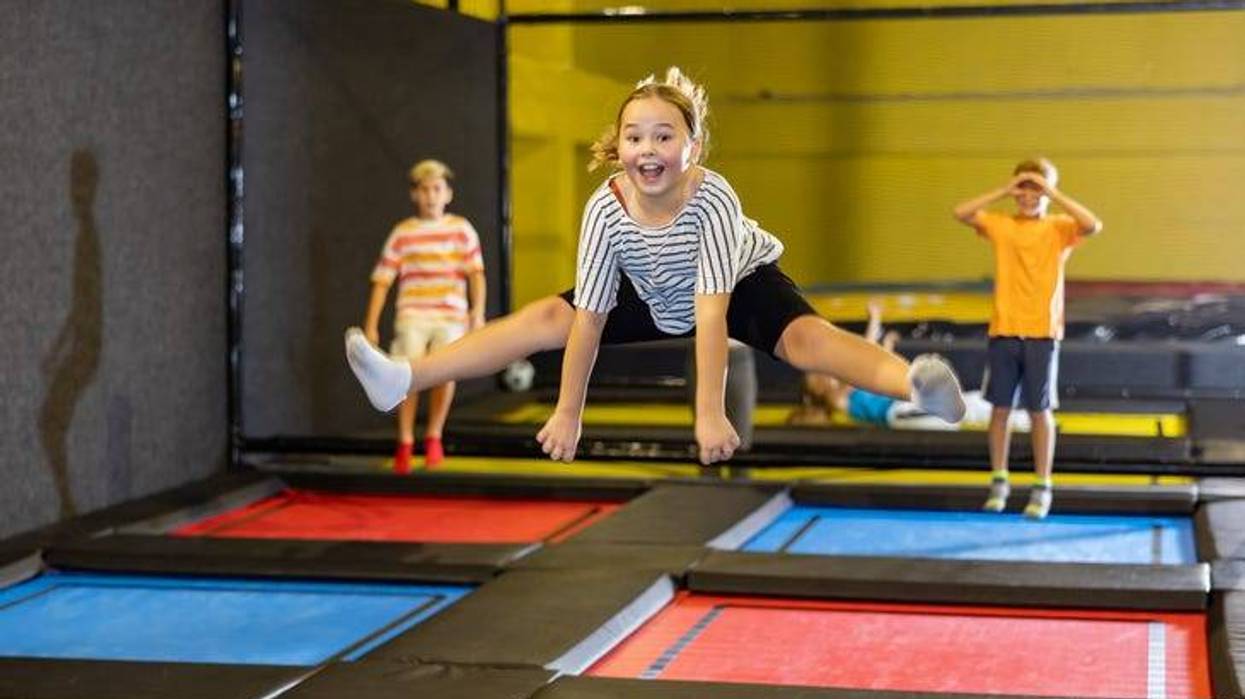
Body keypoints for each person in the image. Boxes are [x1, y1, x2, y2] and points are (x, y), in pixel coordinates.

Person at [347, 67, 966, 466]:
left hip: (736, 284)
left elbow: (713, 315)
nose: (649, 148)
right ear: (618, 147)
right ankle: (403, 379)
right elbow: (588, 320)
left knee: (805, 340)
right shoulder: (606, 207)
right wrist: (569, 410)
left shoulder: (714, 199)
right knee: (545, 317)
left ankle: (915, 388)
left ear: (692, 147)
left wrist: (708, 412)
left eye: (665, 136)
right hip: (646, 287)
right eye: (636, 136)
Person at [953, 157, 1102, 518]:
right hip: (1005, 330)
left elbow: (1093, 225)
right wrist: (1007, 189)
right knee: (1000, 409)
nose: (1029, 195)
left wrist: (1050, 190)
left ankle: (1042, 486)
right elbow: (961, 212)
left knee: (1040, 411)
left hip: (1042, 332)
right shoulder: (1002, 225)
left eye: (1037, 189)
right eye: (1025, 188)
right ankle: (999, 481)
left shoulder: (1059, 228)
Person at [363, 159, 486, 473]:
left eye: (437, 189)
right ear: (414, 194)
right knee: (407, 375)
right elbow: (383, 279)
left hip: (450, 315)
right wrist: (371, 324)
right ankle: (405, 439)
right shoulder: (403, 233)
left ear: (448, 194)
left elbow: (476, 274)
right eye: (424, 189)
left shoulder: (461, 230)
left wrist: (478, 311)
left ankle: (434, 434)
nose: (431, 196)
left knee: (445, 371)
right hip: (413, 315)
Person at [788, 301, 1026, 432]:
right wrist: (875, 322)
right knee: (961, 409)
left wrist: (887, 346)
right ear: (818, 394)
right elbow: (863, 356)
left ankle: (1021, 420)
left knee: (968, 403)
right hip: (902, 413)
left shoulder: (850, 389)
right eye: (819, 380)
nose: (826, 377)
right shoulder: (839, 401)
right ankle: (1017, 423)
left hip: (906, 407)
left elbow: (872, 365)